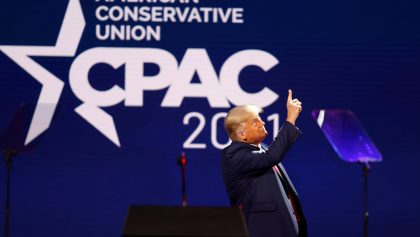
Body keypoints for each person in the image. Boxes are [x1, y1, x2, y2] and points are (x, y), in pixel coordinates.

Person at [221, 89, 307, 237]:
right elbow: (271, 157)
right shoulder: (232, 154)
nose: (262, 122)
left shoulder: (264, 150)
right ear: (242, 134)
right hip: (264, 229)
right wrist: (290, 119)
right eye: (255, 121)